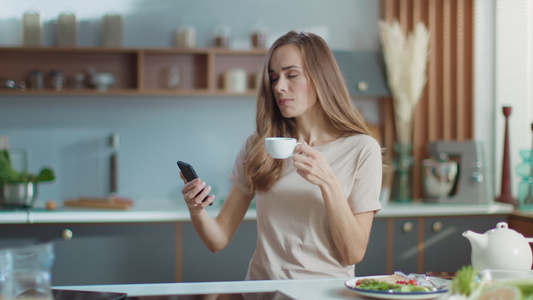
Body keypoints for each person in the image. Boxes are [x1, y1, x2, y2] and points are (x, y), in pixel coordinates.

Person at [180, 30, 382, 280]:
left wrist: (328, 181)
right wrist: (197, 210)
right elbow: (218, 240)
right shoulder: (258, 146)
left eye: (292, 75)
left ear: (321, 77)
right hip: (263, 293)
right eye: (274, 77)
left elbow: (353, 253)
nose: (279, 87)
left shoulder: (362, 149)